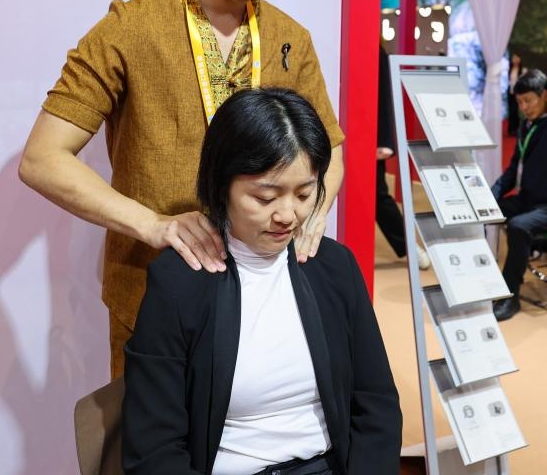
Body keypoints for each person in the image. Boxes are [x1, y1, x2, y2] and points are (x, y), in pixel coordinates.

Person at [18, 0, 345, 379]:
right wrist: (152, 224)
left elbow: (331, 149)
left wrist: (315, 210)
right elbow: (42, 159)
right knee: (153, 429)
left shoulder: (291, 39)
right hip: (152, 290)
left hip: (264, 293)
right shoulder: (131, 28)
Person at [122, 88, 401, 474]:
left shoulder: (334, 267)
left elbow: (376, 405)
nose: (287, 215)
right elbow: (154, 448)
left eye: (304, 194)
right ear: (222, 187)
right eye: (265, 198)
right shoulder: (179, 283)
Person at [490, 69, 547, 321]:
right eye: (520, 102)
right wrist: (489, 196)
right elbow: (512, 170)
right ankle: (482, 282)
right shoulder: (525, 126)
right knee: (485, 213)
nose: (524, 107)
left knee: (518, 226)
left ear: (545, 96)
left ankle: (510, 297)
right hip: (528, 199)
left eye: (529, 100)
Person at [375, 46, 429, 268]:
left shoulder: (376, 51)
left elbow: (384, 96)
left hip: (366, 136)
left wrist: (385, 141)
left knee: (377, 195)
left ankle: (409, 246)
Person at [506, 52, 528, 136]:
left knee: (515, 111)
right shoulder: (510, 69)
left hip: (518, 93)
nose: (515, 60)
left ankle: (516, 129)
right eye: (513, 58)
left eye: (516, 58)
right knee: (511, 111)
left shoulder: (523, 70)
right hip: (510, 92)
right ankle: (511, 129)